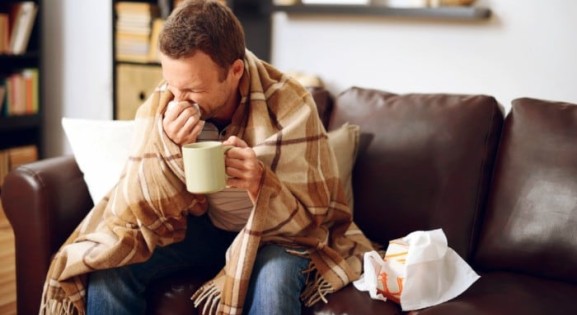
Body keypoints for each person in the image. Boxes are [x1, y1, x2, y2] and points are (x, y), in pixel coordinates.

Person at [39, 1, 374, 314]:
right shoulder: (164, 103)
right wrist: (168, 146)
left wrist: (261, 183)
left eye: (194, 90)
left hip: (276, 237)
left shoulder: (290, 103)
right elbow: (140, 207)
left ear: (235, 71)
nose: (178, 99)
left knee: (274, 284)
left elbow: (313, 219)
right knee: (110, 269)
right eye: (171, 84)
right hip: (203, 228)